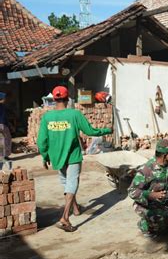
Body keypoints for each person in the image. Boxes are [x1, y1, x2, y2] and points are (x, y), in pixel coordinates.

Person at [37, 86, 112, 232]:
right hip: (72, 155)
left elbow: (41, 141)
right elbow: (90, 131)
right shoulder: (74, 114)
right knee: (72, 183)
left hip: (56, 156)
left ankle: (76, 209)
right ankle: (65, 218)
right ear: (68, 98)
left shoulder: (47, 117)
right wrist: (107, 130)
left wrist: (45, 156)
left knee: (67, 183)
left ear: (53, 98)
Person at [0, 92, 12, 169]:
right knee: (6, 140)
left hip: (3, 124)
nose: (5, 100)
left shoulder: (2, 106)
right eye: (4, 98)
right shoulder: (2, 106)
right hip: (2, 125)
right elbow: (5, 117)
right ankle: (5, 156)